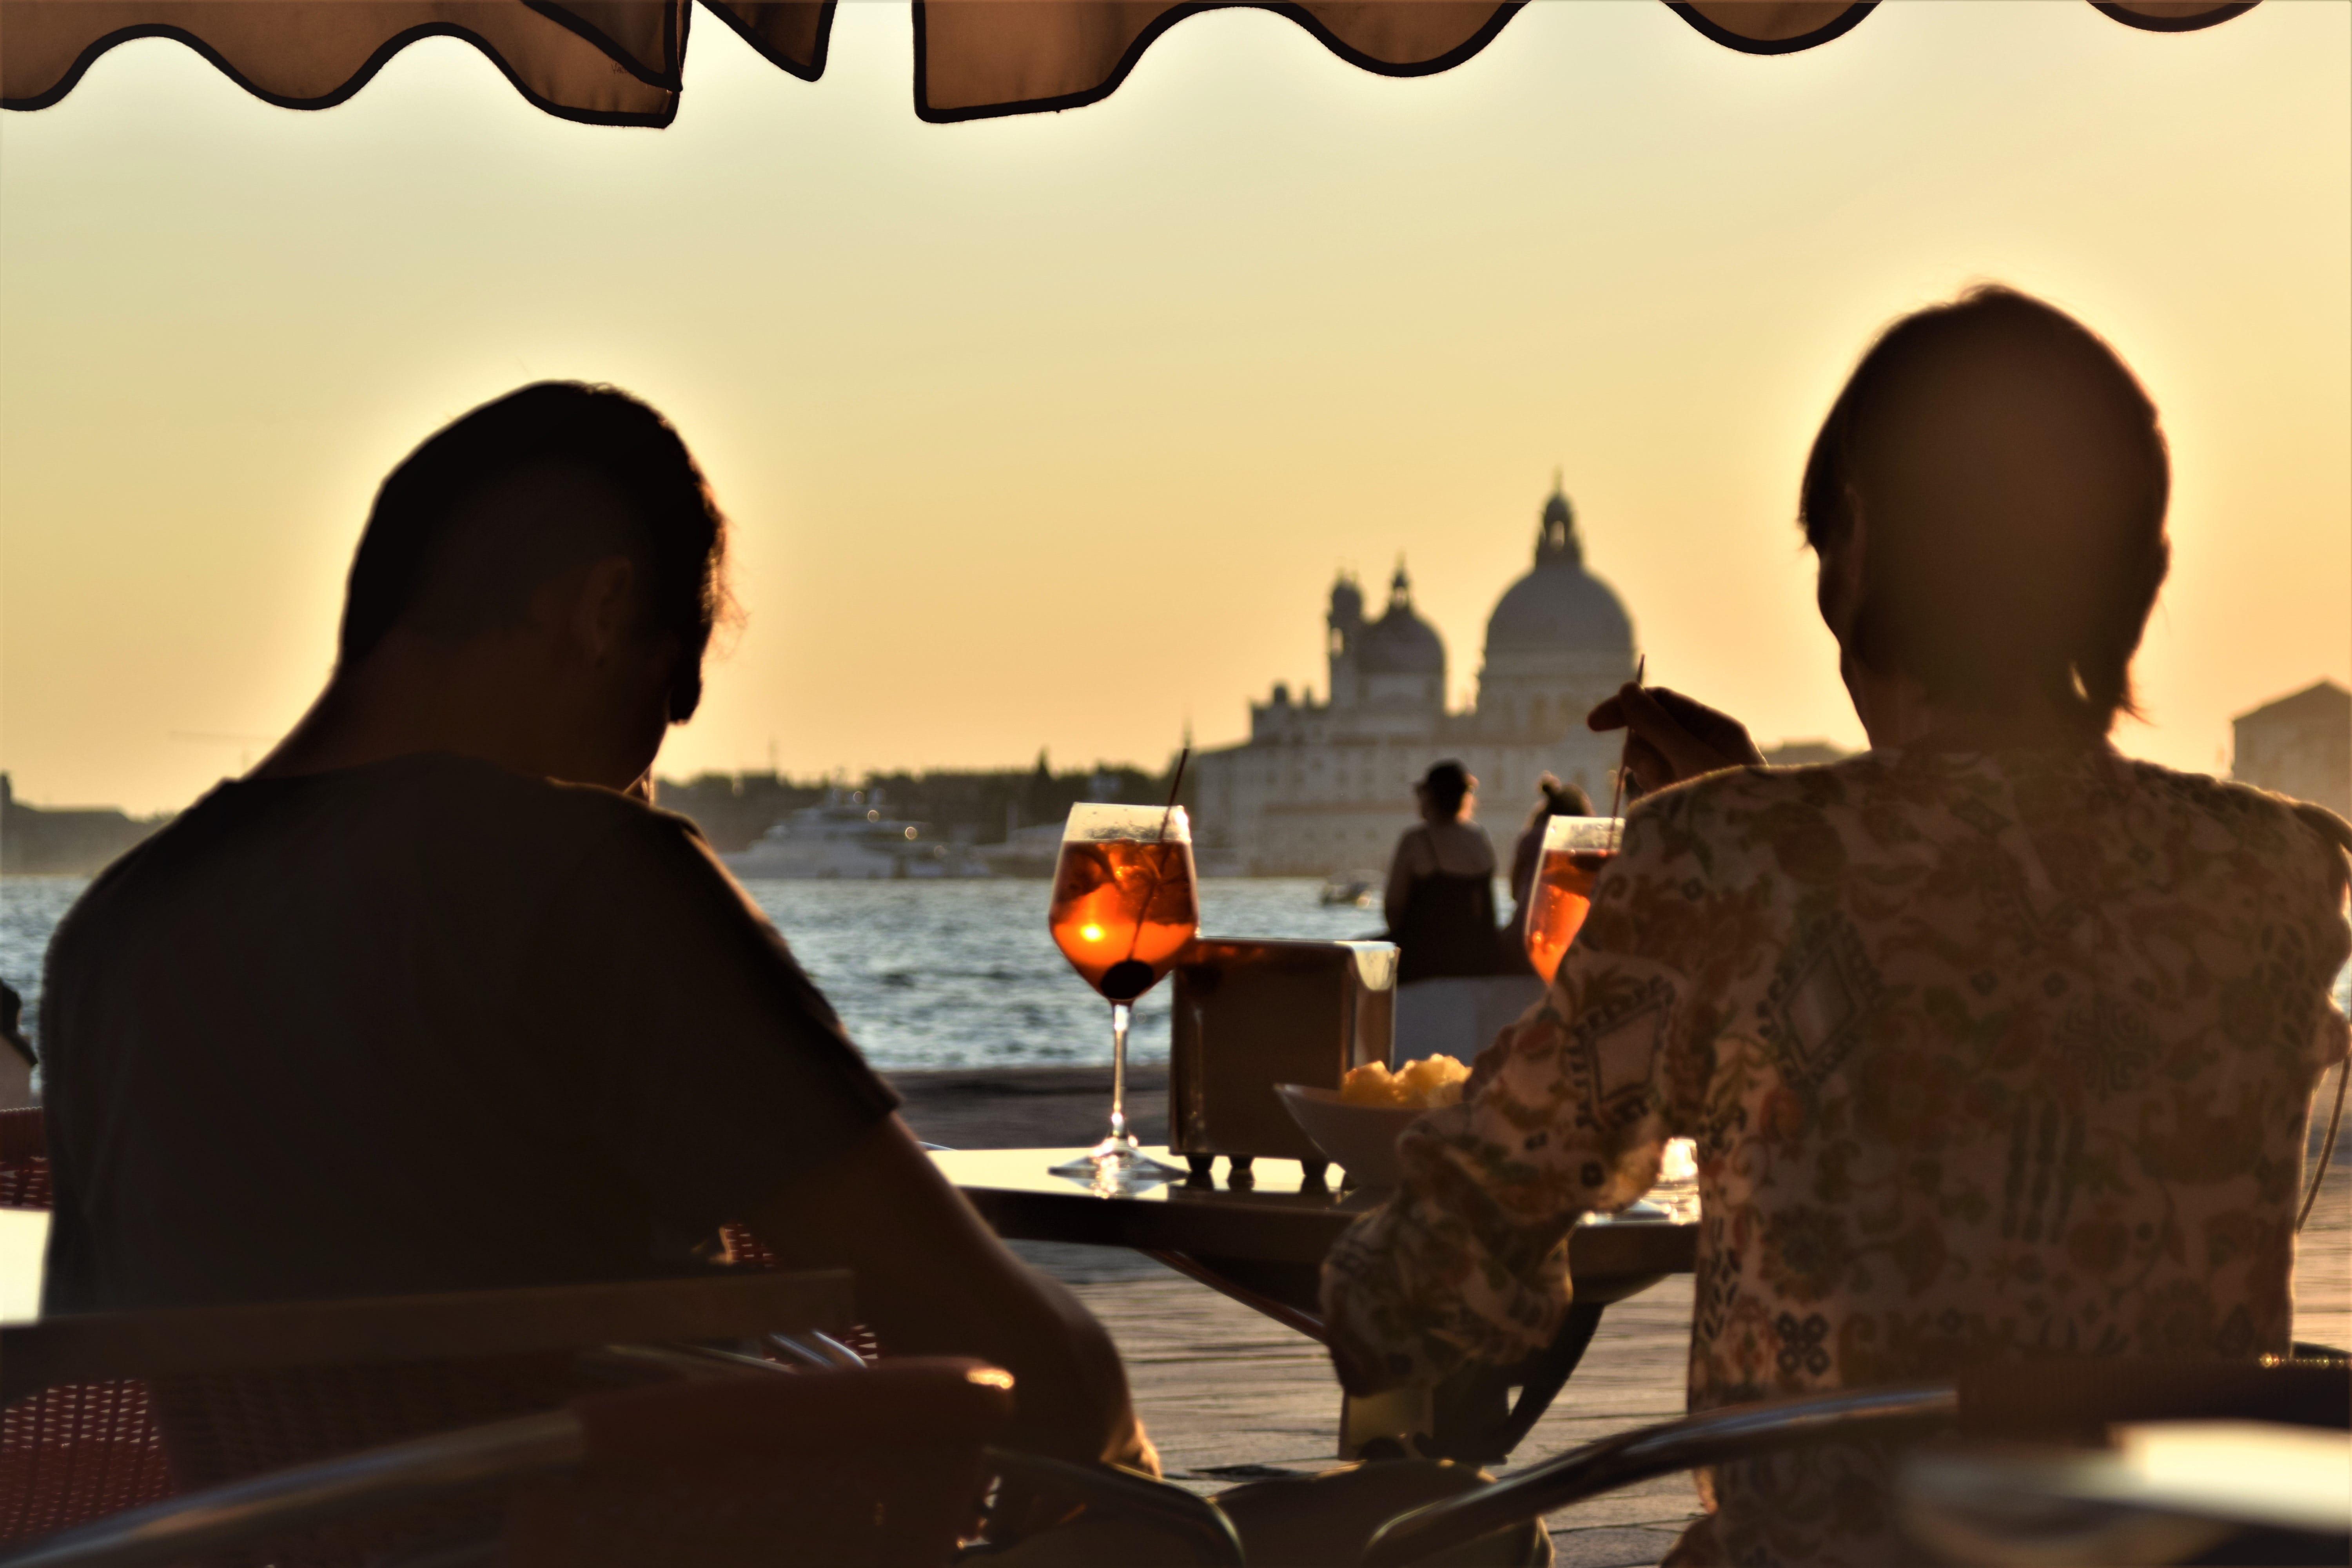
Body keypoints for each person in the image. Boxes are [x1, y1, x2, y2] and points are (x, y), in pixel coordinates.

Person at [1322, 287, 2352, 1566]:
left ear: (1854, 546)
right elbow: (2020, 941)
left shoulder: (1736, 862)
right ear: (2139, 575)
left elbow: (1440, 1270)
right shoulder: (2281, 873)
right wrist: (1762, 828)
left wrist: (1728, 847)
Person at [37, 383, 1154, 1495]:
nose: (646, 770)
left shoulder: (112, 936)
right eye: (671, 696)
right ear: (604, 611)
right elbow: (1036, 1374)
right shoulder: (584, 883)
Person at [1383, 760, 1501, 985]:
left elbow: (1393, 909)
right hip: (1477, 960)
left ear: (1429, 797)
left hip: (1424, 960)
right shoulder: (1479, 839)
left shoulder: (1416, 841)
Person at [1501, 773, 1594, 972]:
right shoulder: (1588, 842)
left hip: (1521, 941)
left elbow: (1514, 893)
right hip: (1571, 943)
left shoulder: (1531, 839)